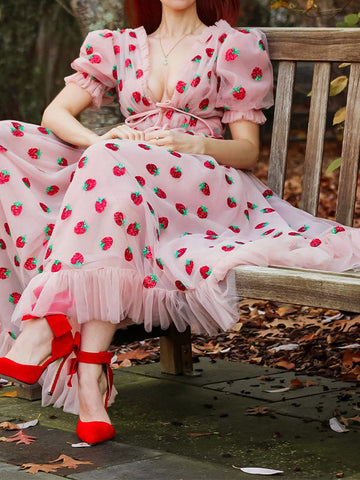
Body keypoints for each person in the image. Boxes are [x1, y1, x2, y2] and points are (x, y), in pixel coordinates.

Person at [1, 0, 360, 445]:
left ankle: (47, 329)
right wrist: (103, 140)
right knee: (6, 140)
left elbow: (247, 151)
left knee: (110, 183)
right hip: (125, 179)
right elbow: (54, 115)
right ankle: (88, 378)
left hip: (203, 181)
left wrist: (192, 144)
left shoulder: (231, 44)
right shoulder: (117, 45)